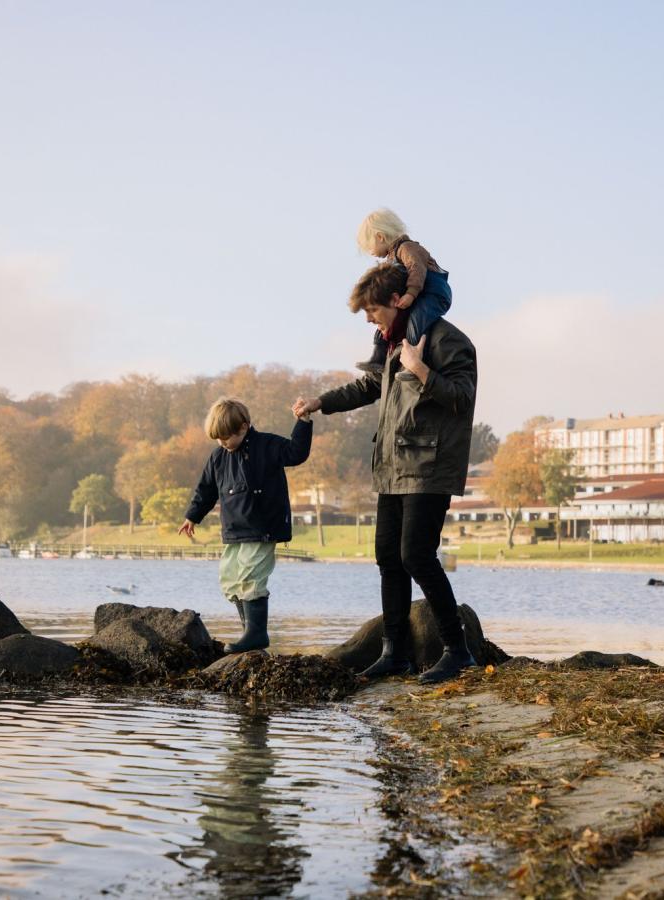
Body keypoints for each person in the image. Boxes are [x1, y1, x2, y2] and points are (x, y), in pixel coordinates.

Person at [293, 264, 477, 684]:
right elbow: (366, 388)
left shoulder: (447, 341)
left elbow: (462, 398)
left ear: (398, 300)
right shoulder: (395, 344)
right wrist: (320, 402)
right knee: (388, 559)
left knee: (416, 555)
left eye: (372, 310)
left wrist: (422, 370)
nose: (368, 319)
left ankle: (458, 651)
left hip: (429, 469)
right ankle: (395, 653)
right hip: (392, 468)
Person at [179, 397, 313, 654]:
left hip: (263, 528)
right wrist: (192, 516)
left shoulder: (267, 445)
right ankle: (249, 633)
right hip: (234, 531)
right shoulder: (218, 456)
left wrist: (303, 422)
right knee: (230, 580)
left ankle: (257, 634)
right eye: (217, 439)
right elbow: (206, 489)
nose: (222, 443)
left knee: (250, 578)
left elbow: (297, 453)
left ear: (243, 427)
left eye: (226, 438)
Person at [354, 208, 452, 374]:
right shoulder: (392, 257)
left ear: (380, 237)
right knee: (384, 324)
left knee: (415, 321)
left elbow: (417, 269)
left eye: (370, 247)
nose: (371, 253)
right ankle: (378, 356)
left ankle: (412, 361)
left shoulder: (407, 248)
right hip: (419, 293)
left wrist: (410, 294)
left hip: (434, 294)